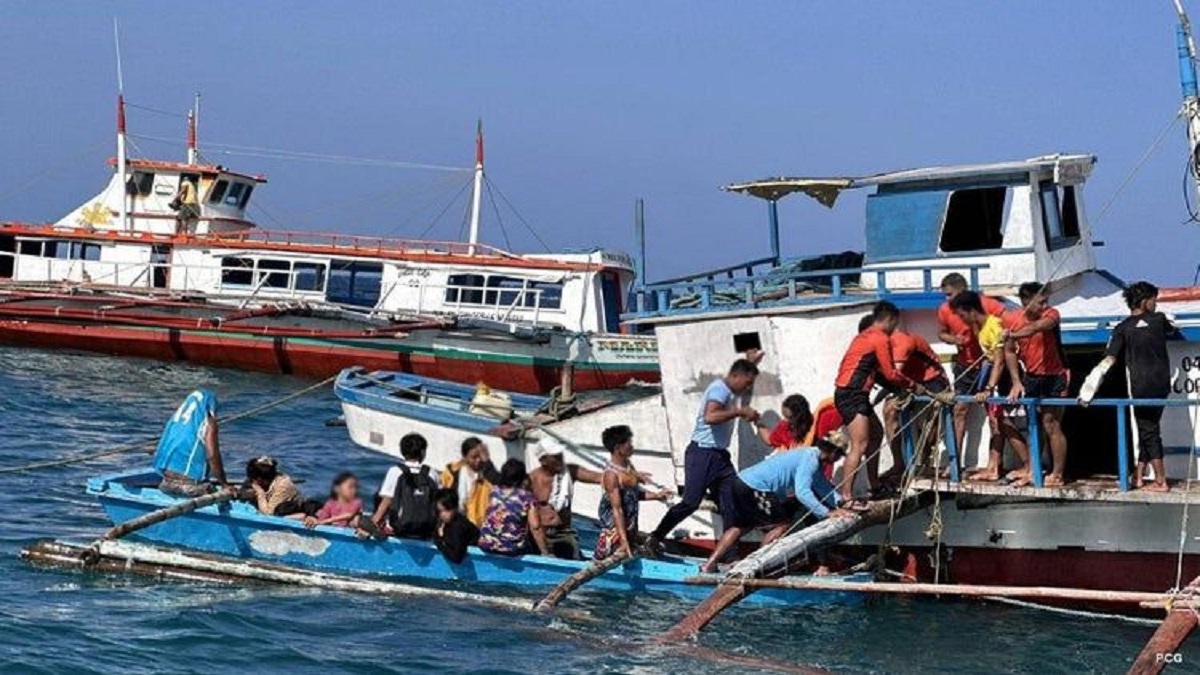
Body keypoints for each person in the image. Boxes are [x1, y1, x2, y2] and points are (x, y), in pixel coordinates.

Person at [646, 352, 763, 552]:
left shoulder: (730, 389)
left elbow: (741, 374)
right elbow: (710, 416)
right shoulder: (720, 389)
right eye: (747, 382)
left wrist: (750, 362)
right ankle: (655, 537)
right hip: (703, 454)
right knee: (690, 502)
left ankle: (730, 554)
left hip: (719, 457)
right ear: (736, 377)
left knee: (730, 503)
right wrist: (740, 412)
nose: (748, 388)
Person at [833, 301, 937, 509]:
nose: (894, 330)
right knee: (859, 445)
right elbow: (890, 373)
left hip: (851, 394)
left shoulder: (863, 337)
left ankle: (875, 485)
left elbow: (877, 373)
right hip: (852, 395)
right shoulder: (879, 339)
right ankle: (847, 496)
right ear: (889, 320)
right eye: (894, 324)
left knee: (876, 434)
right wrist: (911, 385)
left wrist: (900, 388)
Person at [700, 430, 851, 573]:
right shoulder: (810, 459)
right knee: (782, 524)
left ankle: (709, 565)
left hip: (741, 482)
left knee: (741, 526)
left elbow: (823, 488)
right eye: (839, 456)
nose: (838, 459)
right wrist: (827, 513)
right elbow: (803, 493)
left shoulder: (812, 459)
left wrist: (843, 504)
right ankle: (754, 567)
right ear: (834, 452)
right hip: (756, 488)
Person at [1080, 281, 1178, 491]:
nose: (1156, 305)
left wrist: (1088, 389)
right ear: (1144, 301)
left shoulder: (1122, 328)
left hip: (1141, 386)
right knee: (1148, 428)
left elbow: (1109, 360)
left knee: (1148, 430)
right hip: (1161, 384)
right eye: (1154, 300)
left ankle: (1161, 481)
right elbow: (1171, 328)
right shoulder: (1160, 320)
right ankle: (1139, 475)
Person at [951, 290, 1031, 483]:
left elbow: (1000, 360)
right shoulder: (982, 328)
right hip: (996, 376)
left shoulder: (992, 326)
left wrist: (988, 388)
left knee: (1004, 423)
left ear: (970, 310)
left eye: (961, 315)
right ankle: (993, 467)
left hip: (1006, 377)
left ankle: (1029, 466)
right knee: (996, 423)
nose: (961, 320)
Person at [1003, 282, 1071, 487]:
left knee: (1051, 424)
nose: (1044, 305)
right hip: (1032, 376)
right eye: (1040, 302)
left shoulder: (1052, 314)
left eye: (1046, 301)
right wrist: (1016, 381)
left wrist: (1012, 334)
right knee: (1034, 425)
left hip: (1056, 375)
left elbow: (1037, 327)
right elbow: (1009, 351)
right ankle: (1033, 470)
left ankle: (1057, 475)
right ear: (1026, 302)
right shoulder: (1012, 319)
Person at [937, 273, 1007, 456]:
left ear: (962, 290)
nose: (947, 299)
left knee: (994, 414)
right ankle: (955, 463)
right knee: (959, 410)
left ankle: (994, 464)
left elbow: (1006, 322)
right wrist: (953, 339)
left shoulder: (986, 304)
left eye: (950, 294)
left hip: (988, 364)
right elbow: (941, 334)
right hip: (964, 366)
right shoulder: (945, 310)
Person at [882, 328, 951, 481]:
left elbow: (894, 373)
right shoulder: (880, 347)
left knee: (932, 421)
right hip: (909, 382)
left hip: (933, 380)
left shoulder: (902, 341)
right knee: (889, 410)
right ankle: (899, 464)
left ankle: (925, 461)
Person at [594, 425, 672, 560]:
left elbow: (633, 495)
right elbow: (617, 510)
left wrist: (656, 496)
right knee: (611, 557)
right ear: (618, 448)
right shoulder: (611, 475)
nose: (632, 446)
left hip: (630, 527)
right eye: (628, 443)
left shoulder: (628, 466)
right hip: (615, 531)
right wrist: (623, 541)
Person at [528, 438, 603, 560]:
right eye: (555, 457)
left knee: (575, 561)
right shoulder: (531, 480)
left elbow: (600, 477)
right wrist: (544, 550)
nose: (560, 459)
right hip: (542, 534)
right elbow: (532, 522)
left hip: (564, 531)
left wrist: (628, 477)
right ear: (543, 460)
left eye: (560, 455)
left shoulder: (570, 472)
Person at [152, 389, 230, 497]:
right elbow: (212, 455)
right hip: (190, 486)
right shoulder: (208, 423)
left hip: (165, 483)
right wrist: (224, 484)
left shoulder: (175, 421)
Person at [371, 433, 440, 538]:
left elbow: (387, 501)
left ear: (402, 451)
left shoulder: (395, 471)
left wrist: (373, 523)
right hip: (426, 529)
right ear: (423, 452)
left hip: (397, 529)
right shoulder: (432, 473)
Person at [478, 459, 550, 556]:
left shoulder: (494, 492)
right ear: (522, 478)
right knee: (533, 548)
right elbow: (535, 527)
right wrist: (545, 552)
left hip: (486, 544)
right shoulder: (527, 498)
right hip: (510, 549)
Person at [440, 436, 500, 527]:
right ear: (464, 457)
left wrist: (488, 462)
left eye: (480, 457)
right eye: (474, 457)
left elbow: (501, 485)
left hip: (478, 527)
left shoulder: (488, 477)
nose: (478, 460)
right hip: (454, 524)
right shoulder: (452, 473)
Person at [245, 456, 312, 517]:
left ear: (259, 480)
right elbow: (243, 493)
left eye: (253, 479)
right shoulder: (258, 479)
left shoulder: (283, 486)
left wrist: (260, 493)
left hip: (292, 512)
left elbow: (268, 514)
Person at [433, 488, 480, 564]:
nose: (443, 514)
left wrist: (440, 542)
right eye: (440, 511)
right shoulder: (444, 522)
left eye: (447, 510)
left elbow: (457, 557)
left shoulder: (458, 526)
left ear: (455, 508)